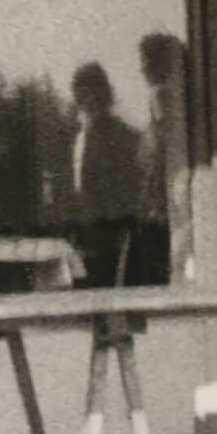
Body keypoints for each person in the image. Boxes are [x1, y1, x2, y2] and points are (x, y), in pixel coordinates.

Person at [51, 62, 145, 286]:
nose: (88, 99)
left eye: (94, 92)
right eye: (82, 93)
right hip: (77, 236)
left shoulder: (124, 136)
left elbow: (128, 191)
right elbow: (68, 185)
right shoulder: (73, 137)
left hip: (110, 236)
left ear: (105, 94)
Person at [134, 32, 191, 286]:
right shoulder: (176, 95)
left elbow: (161, 144)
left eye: (146, 62)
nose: (141, 69)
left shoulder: (160, 95)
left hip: (168, 181)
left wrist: (151, 190)